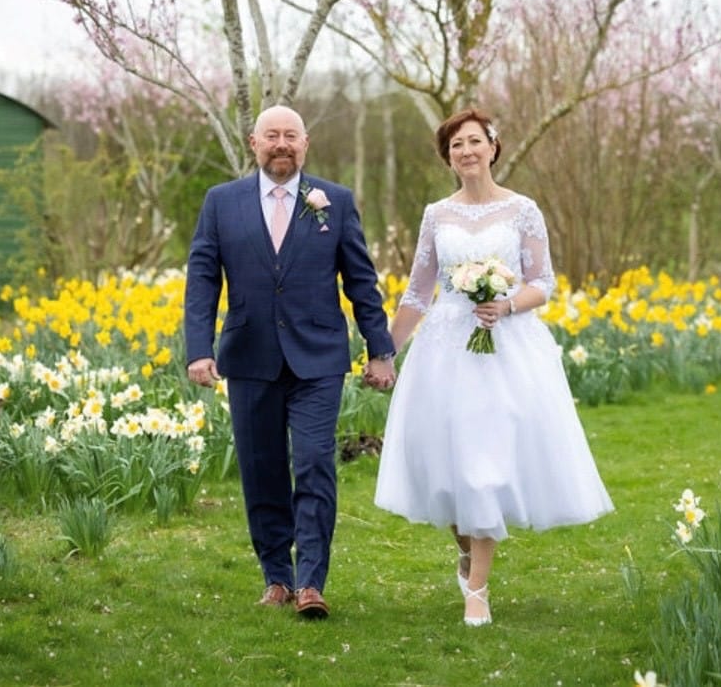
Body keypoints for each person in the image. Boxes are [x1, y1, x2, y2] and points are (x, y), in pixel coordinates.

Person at [371, 108, 614, 626]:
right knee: (447, 467)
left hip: (506, 347)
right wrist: (384, 351)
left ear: (493, 147)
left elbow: (542, 283)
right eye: (456, 145)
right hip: (445, 349)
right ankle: (465, 547)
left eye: (474, 141)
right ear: (448, 157)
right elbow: (418, 291)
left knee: (484, 466)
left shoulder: (523, 209)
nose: (466, 152)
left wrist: (504, 305)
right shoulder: (437, 214)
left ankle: (476, 590)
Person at [184, 105, 396, 619]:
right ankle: (276, 576)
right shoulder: (221, 202)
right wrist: (198, 349)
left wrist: (381, 349)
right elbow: (203, 278)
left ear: (306, 143)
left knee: (314, 464)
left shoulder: (335, 202)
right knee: (262, 472)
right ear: (253, 142)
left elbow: (361, 282)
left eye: (291, 136)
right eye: (271, 135)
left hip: (318, 358)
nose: (282, 144)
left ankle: (310, 583)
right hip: (250, 357)